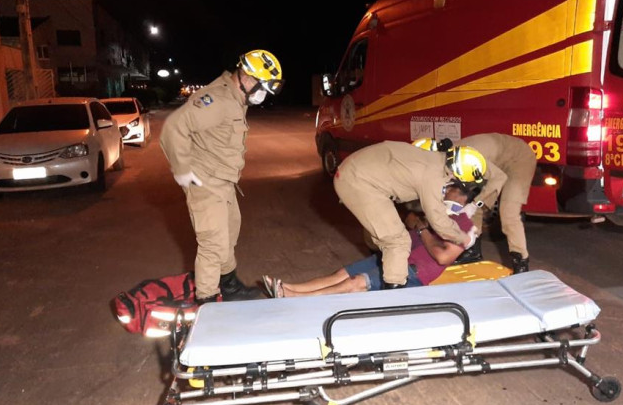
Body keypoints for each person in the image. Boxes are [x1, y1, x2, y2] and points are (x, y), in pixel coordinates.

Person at [159, 49, 284, 302]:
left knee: (228, 235)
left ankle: (229, 285)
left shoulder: (236, 97)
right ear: (247, 78)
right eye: (262, 87)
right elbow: (173, 128)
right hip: (205, 183)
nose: (263, 95)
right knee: (212, 244)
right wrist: (183, 171)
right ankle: (207, 303)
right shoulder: (217, 100)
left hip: (224, 183)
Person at [263, 185, 476, 297]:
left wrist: (421, 229)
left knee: (354, 283)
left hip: (413, 271)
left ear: (461, 195)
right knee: (340, 274)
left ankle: (292, 297)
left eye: (449, 188)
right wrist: (416, 223)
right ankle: (292, 288)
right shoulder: (439, 211)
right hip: (396, 253)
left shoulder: (464, 224)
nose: (443, 190)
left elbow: (442, 256)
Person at [332, 140, 486, 290]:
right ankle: (394, 297)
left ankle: (391, 284)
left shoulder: (430, 158)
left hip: (354, 174)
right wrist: (463, 238)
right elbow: (438, 221)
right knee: (397, 241)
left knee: (392, 240)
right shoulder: (433, 174)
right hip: (359, 182)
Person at [449, 134, 537, 273]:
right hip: (493, 163)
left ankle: (521, 263)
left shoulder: (463, 160)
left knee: (508, 213)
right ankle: (472, 251)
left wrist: (474, 203)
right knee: (477, 206)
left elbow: (499, 178)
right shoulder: (446, 161)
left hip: (519, 160)